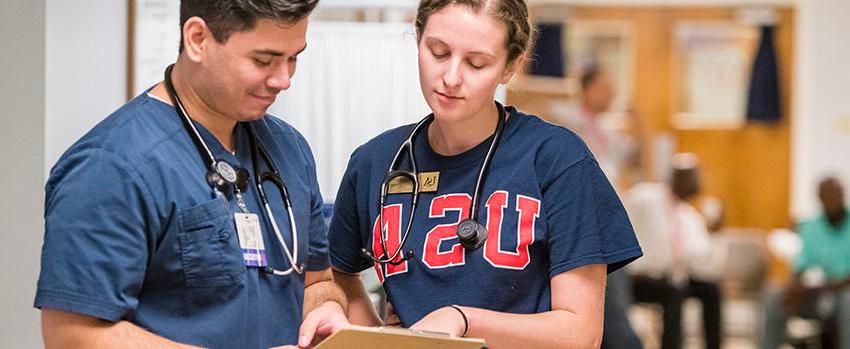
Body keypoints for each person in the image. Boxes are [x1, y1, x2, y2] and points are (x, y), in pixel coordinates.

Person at [327, 1, 642, 348]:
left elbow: (580, 334)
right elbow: (337, 274)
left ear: (511, 66)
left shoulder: (556, 159)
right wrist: (377, 338)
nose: (451, 78)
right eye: (438, 52)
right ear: (418, 39)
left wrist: (463, 320)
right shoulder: (374, 162)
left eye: (477, 63)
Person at [34, 1, 348, 348]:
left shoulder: (289, 148)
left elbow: (317, 281)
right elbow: (72, 335)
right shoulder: (111, 166)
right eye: (263, 60)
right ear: (198, 38)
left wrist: (327, 306)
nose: (284, 79)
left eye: (294, 58)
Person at [625, 153, 724, 349]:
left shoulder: (686, 214)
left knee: (710, 290)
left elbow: (700, 254)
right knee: (674, 294)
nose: (697, 183)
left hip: (671, 277)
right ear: (676, 177)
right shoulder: (646, 197)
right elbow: (615, 213)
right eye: (692, 177)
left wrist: (715, 230)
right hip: (638, 277)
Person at [761, 176, 850, 349]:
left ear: (843, 195)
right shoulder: (811, 227)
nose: (832, 200)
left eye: (836, 195)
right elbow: (801, 267)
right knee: (775, 296)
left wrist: (826, 286)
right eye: (827, 195)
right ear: (819, 198)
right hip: (815, 294)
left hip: (843, 293)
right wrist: (793, 286)